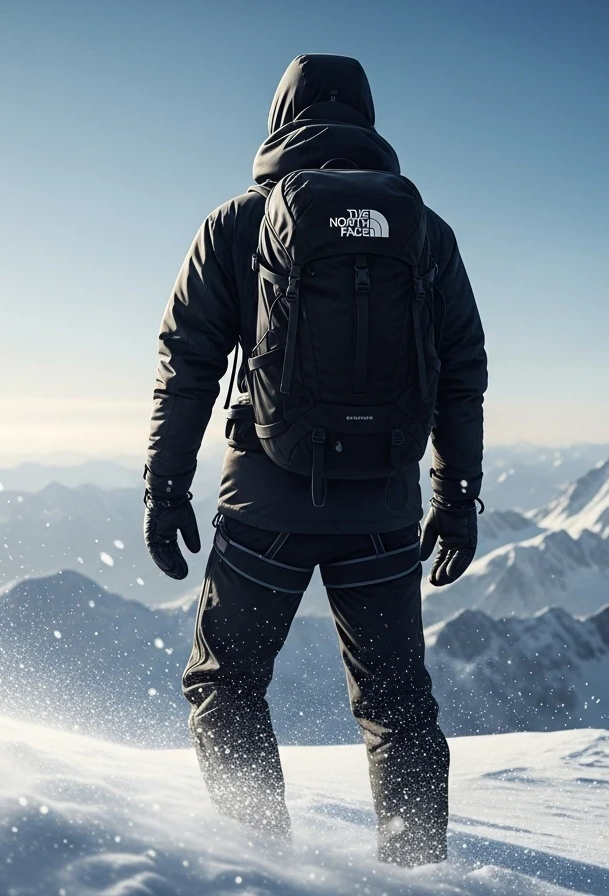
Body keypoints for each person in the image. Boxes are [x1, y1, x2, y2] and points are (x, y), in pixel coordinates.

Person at [142, 54, 487, 867]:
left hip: (266, 501)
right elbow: (461, 370)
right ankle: (417, 876)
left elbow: (187, 363)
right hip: (384, 507)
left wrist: (165, 485)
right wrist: (455, 494)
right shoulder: (426, 232)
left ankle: (266, 864)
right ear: (368, 120)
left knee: (227, 684)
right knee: (397, 708)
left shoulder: (239, 223)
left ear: (279, 118)